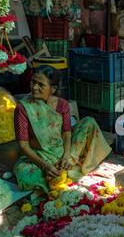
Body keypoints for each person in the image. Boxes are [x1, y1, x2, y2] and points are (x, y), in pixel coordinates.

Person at [13, 65, 111, 194]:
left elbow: (66, 134)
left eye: (41, 84)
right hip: (39, 156)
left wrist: (66, 156)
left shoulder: (62, 105)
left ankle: (67, 164)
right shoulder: (23, 108)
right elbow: (23, 146)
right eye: (33, 82)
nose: (34, 87)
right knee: (26, 176)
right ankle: (65, 169)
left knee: (89, 122)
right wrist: (44, 165)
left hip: (62, 150)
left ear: (53, 89)